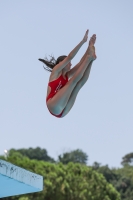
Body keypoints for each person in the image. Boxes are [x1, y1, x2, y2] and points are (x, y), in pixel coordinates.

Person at [38, 30, 97, 118]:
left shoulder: (67, 75)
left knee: (79, 84)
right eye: (68, 63)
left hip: (62, 112)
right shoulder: (56, 71)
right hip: (53, 104)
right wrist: (83, 41)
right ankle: (89, 58)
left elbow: (80, 63)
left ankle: (91, 60)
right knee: (72, 82)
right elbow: (70, 57)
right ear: (62, 63)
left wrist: (89, 48)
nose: (71, 64)